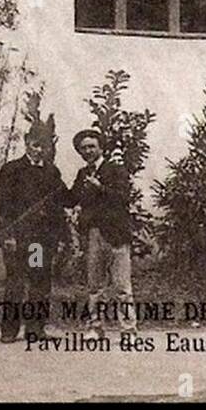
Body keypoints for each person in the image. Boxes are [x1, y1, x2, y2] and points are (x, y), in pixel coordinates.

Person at [0, 115, 68, 343]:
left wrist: (62, 236)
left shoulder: (51, 173)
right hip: (16, 239)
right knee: (15, 282)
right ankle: (9, 330)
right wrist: (7, 235)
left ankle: (35, 329)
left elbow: (61, 203)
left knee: (38, 281)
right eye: (35, 144)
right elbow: (1, 205)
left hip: (39, 242)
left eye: (44, 146)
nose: (39, 150)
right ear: (26, 142)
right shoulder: (12, 170)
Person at [65, 129, 136, 339]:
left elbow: (124, 198)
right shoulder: (82, 174)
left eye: (91, 146)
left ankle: (128, 330)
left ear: (100, 148)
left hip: (116, 234)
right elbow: (71, 198)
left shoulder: (116, 170)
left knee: (122, 286)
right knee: (95, 286)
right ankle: (95, 327)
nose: (87, 151)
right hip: (94, 234)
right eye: (83, 148)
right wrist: (50, 183)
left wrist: (100, 187)